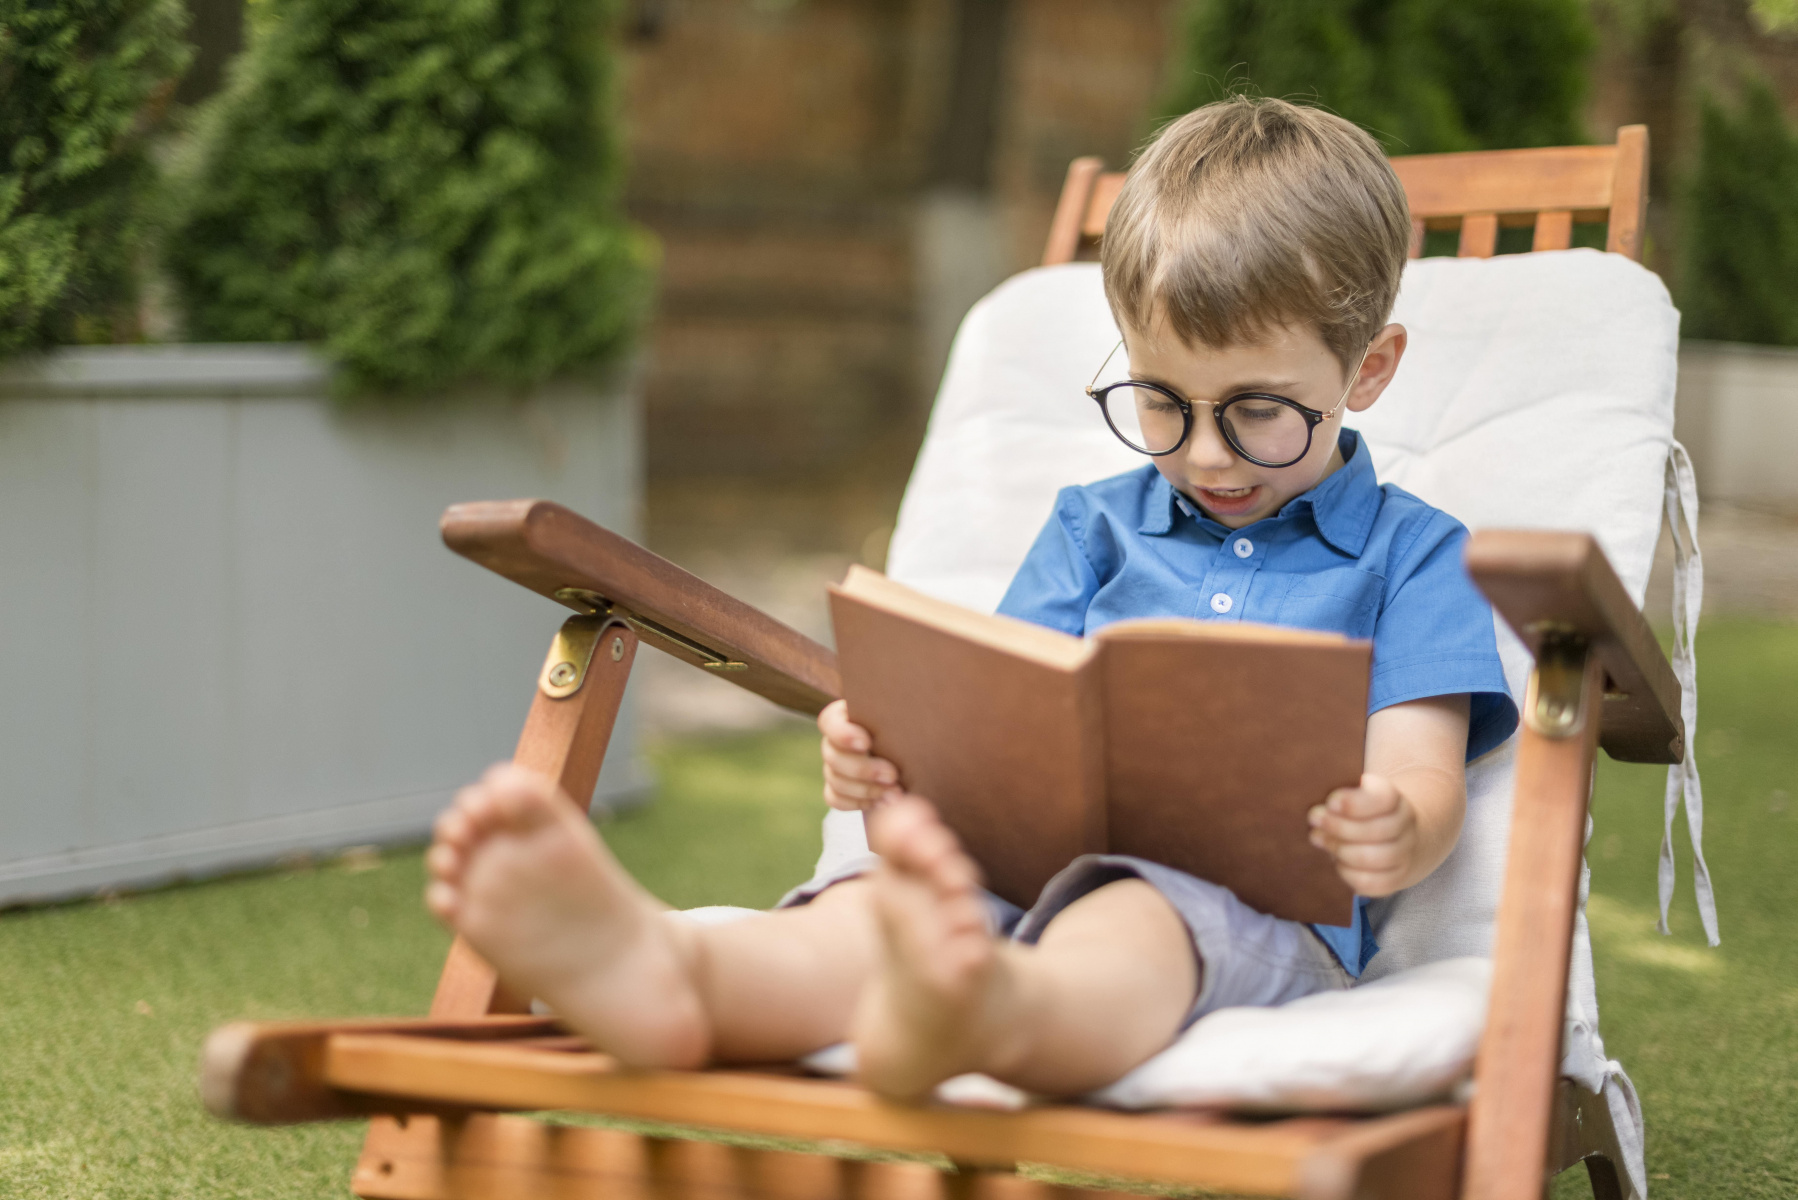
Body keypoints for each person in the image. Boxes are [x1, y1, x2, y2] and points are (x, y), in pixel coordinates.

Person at [423, 96, 1518, 1102]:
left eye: (1258, 412)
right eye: (1159, 403)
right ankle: (673, 970)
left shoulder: (1412, 557)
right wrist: (886, 768)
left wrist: (1395, 831)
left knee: (1130, 918)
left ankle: (988, 1012)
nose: (1204, 454)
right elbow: (999, 739)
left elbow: (1420, 774)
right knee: (880, 907)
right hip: (1007, 880)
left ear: (1367, 372)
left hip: (1244, 917)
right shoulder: (1092, 527)